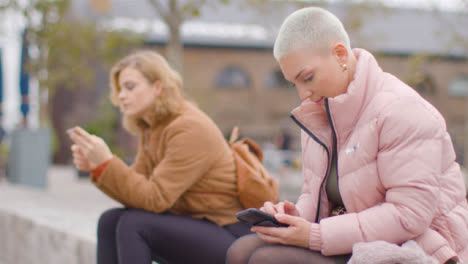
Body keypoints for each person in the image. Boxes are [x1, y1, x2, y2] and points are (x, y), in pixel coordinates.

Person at [226, 7, 468, 264]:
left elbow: (408, 216)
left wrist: (314, 235)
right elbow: (315, 194)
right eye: (293, 83)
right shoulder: (318, 113)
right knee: (241, 251)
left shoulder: (402, 111)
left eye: (307, 77)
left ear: (340, 54)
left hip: (418, 248)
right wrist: (294, 215)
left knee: (267, 260)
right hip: (353, 239)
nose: (302, 94)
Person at [67, 50, 251, 264]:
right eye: (119, 90)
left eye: (130, 87)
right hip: (198, 224)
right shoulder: (152, 128)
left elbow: (155, 199)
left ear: (157, 87)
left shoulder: (188, 128)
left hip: (230, 234)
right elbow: (135, 192)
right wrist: (97, 167)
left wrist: (107, 163)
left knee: (134, 224)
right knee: (110, 220)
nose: (121, 96)